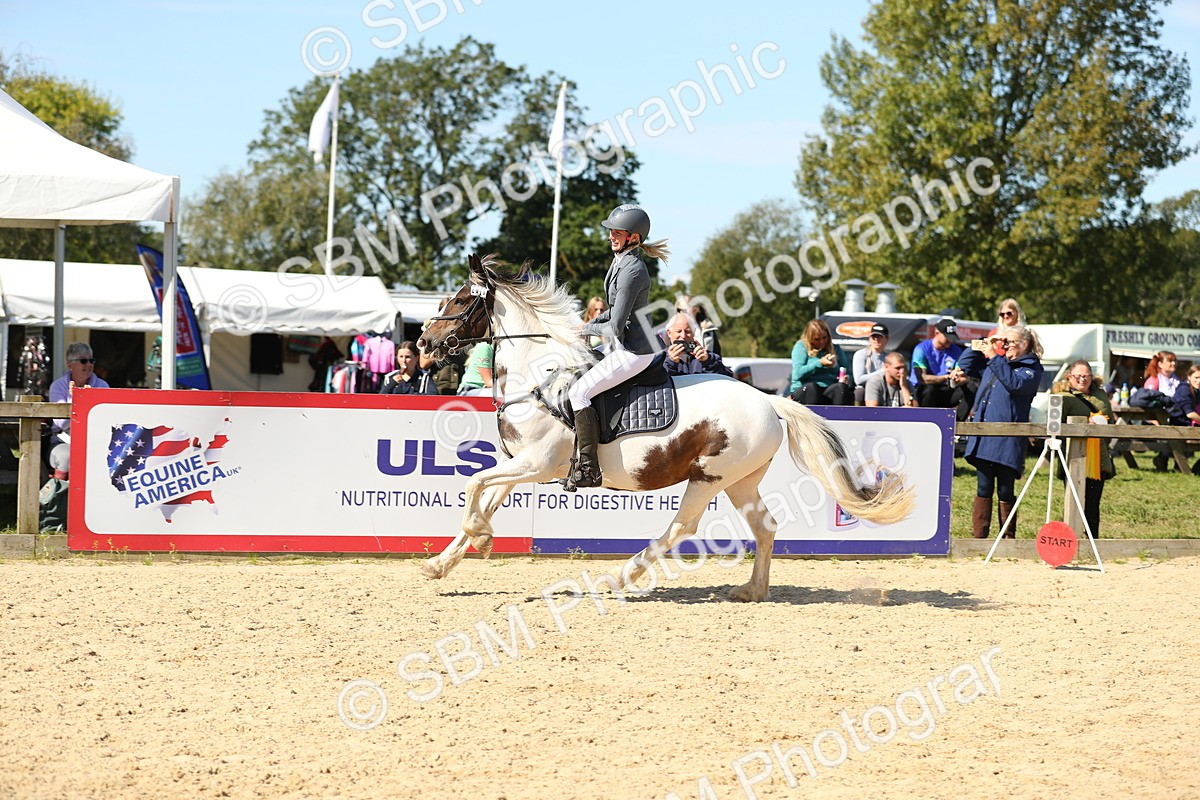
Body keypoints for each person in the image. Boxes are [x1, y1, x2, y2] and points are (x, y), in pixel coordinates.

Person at [568, 204, 670, 488]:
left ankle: (589, 468)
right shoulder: (621, 260)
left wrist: (587, 328)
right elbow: (612, 310)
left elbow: (613, 328)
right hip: (624, 344)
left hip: (637, 350)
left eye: (617, 232)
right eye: (611, 231)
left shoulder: (633, 269)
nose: (611, 235)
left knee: (579, 393)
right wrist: (582, 325)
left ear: (633, 238)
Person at [959, 325, 1044, 539]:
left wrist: (994, 356)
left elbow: (1015, 384)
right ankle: (980, 539)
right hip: (985, 436)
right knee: (983, 486)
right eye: (1003, 342)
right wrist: (983, 341)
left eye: (1009, 342)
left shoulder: (1031, 368)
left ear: (1024, 345)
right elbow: (966, 364)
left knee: (1005, 489)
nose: (1004, 346)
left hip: (1008, 439)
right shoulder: (997, 362)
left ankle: (1007, 538)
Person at [1053, 360, 1115, 537]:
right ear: (1069, 377)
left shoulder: (1101, 394)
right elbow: (1056, 425)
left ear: (1092, 377)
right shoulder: (1063, 396)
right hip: (1074, 456)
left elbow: (1109, 417)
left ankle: (1092, 541)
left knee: (1094, 503)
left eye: (1086, 376)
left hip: (1099, 456)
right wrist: (1084, 425)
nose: (1082, 379)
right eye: (1078, 376)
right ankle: (1071, 539)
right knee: (1073, 502)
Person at [48, 342, 110, 471]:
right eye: (83, 361)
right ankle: (60, 491)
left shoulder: (102, 385)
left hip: (95, 442)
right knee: (67, 457)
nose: (89, 365)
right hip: (64, 441)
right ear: (70, 365)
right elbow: (62, 424)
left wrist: (89, 401)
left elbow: (104, 421)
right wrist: (76, 399)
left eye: (91, 360)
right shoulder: (58, 386)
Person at [789, 319, 853, 406]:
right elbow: (797, 374)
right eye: (817, 339)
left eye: (824, 337)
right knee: (813, 388)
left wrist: (846, 378)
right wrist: (819, 363)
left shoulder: (835, 348)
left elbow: (847, 371)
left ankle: (839, 417)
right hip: (806, 390)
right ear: (809, 338)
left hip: (828, 389)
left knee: (840, 388)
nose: (822, 341)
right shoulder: (801, 347)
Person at [911, 318, 966, 409]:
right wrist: (946, 377)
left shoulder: (956, 351)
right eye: (947, 337)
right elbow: (923, 379)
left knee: (971, 387)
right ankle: (926, 418)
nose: (950, 340)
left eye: (951, 337)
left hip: (945, 389)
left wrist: (958, 378)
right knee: (929, 389)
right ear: (937, 333)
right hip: (923, 391)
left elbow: (963, 376)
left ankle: (958, 420)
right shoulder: (921, 349)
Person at [659, 312, 733, 377]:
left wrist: (708, 362)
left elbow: (727, 378)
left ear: (694, 332)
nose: (683, 335)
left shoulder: (708, 357)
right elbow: (656, 382)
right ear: (669, 333)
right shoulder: (660, 359)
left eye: (687, 331)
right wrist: (671, 362)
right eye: (678, 331)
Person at [852, 323, 891, 405]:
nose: (876, 339)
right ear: (869, 339)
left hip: (885, 389)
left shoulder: (889, 357)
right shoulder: (861, 354)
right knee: (859, 392)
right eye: (873, 337)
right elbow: (858, 380)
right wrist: (882, 371)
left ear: (886, 338)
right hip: (866, 390)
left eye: (880, 337)